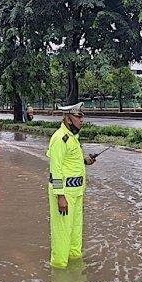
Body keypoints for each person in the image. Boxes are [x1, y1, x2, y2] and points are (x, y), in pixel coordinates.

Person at [46, 102, 96, 269]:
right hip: (65, 194)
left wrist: (85, 161)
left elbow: (70, 162)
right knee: (62, 233)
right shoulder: (60, 138)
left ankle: (74, 263)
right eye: (78, 116)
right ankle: (59, 266)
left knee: (75, 231)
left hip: (77, 192)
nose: (82, 120)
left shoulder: (73, 138)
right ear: (68, 118)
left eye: (82, 116)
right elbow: (56, 169)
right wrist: (60, 197)